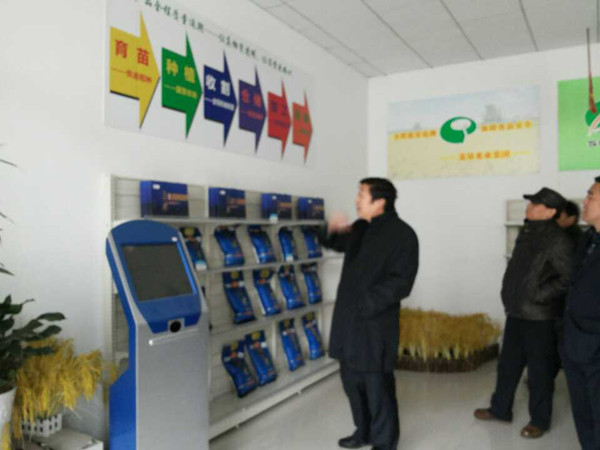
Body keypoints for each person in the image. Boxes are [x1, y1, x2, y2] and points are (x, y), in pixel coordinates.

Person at [320, 177, 419, 450]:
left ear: (380, 202)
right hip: (348, 323)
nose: (356, 200)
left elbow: (401, 282)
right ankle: (362, 431)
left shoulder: (403, 235)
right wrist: (332, 228)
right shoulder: (361, 228)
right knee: (352, 383)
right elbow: (334, 243)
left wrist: (366, 303)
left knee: (378, 388)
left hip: (375, 325)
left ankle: (384, 441)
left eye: (362, 195)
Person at [474, 187, 574, 439]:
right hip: (517, 311)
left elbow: (568, 277)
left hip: (540, 317)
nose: (529, 207)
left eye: (536, 204)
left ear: (550, 212)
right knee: (507, 366)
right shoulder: (527, 232)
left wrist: (538, 295)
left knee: (540, 372)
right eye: (530, 203)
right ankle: (500, 409)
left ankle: (539, 420)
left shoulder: (559, 240)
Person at [562, 176, 600, 450]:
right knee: (583, 415)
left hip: (596, 345)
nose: (584, 202)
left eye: (591, 197)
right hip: (575, 343)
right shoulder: (587, 238)